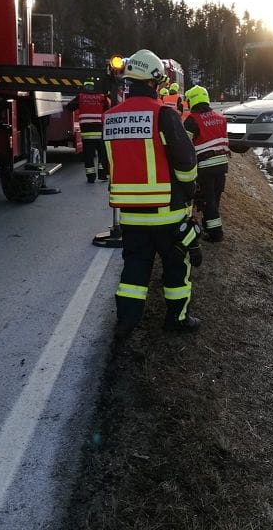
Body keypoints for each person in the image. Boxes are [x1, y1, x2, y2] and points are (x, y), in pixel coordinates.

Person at [103, 49, 201, 333]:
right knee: (176, 270)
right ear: (155, 81)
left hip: (131, 217)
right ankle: (177, 320)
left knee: (134, 271)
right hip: (168, 214)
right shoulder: (163, 114)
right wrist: (190, 189)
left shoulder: (111, 117)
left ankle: (126, 322)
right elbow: (186, 161)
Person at [183, 84, 229, 242]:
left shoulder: (191, 121)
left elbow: (185, 147)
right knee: (214, 199)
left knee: (207, 200)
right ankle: (210, 226)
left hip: (205, 167)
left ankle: (216, 234)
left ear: (191, 101)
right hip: (222, 165)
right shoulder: (220, 118)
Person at [66, 80, 110, 183]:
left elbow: (69, 107)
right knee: (102, 155)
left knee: (88, 156)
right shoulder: (102, 97)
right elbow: (108, 110)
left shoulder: (80, 97)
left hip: (87, 134)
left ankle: (91, 177)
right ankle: (103, 175)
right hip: (100, 132)